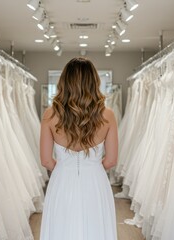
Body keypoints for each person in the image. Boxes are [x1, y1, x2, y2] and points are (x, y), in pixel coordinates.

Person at [39, 57, 118, 240]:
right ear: (94, 82)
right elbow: (111, 160)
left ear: (64, 81)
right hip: (96, 180)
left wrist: (65, 167)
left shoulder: (50, 114)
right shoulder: (108, 115)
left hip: (62, 180)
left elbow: (46, 160)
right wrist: (92, 167)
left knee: (61, 227)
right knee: (96, 227)